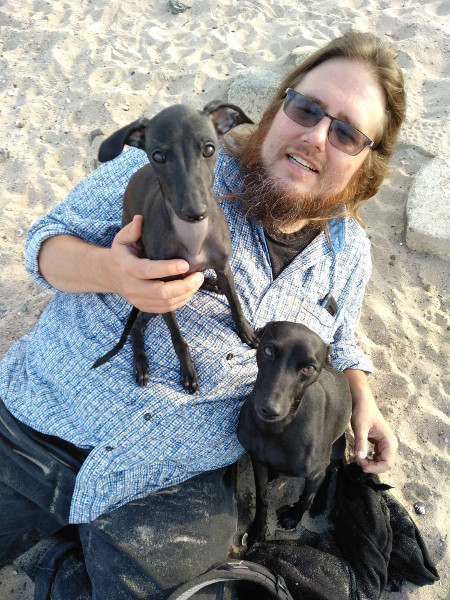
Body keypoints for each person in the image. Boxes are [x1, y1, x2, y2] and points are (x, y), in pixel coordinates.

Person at [0, 30, 405, 600]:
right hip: (41, 422)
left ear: (367, 163)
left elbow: (341, 338)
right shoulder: (181, 156)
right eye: (307, 108)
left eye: (346, 132)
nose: (316, 136)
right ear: (278, 107)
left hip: (175, 481)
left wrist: (364, 399)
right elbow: (43, 245)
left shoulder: (348, 252)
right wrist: (110, 270)